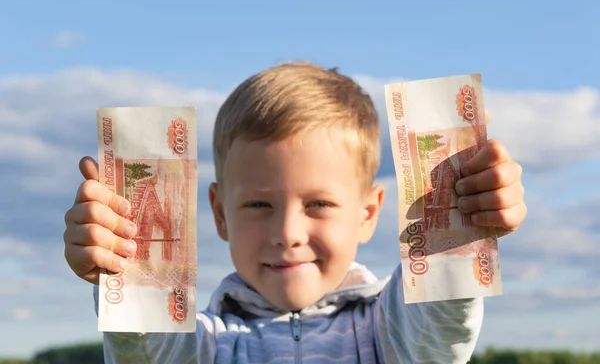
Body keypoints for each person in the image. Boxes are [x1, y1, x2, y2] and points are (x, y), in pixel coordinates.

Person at [63, 61, 527, 364]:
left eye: (319, 204)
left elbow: (440, 320)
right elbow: (146, 350)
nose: (287, 232)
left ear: (368, 214)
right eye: (259, 204)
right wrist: (120, 266)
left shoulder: (389, 335)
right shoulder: (205, 346)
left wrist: (467, 219)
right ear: (220, 215)